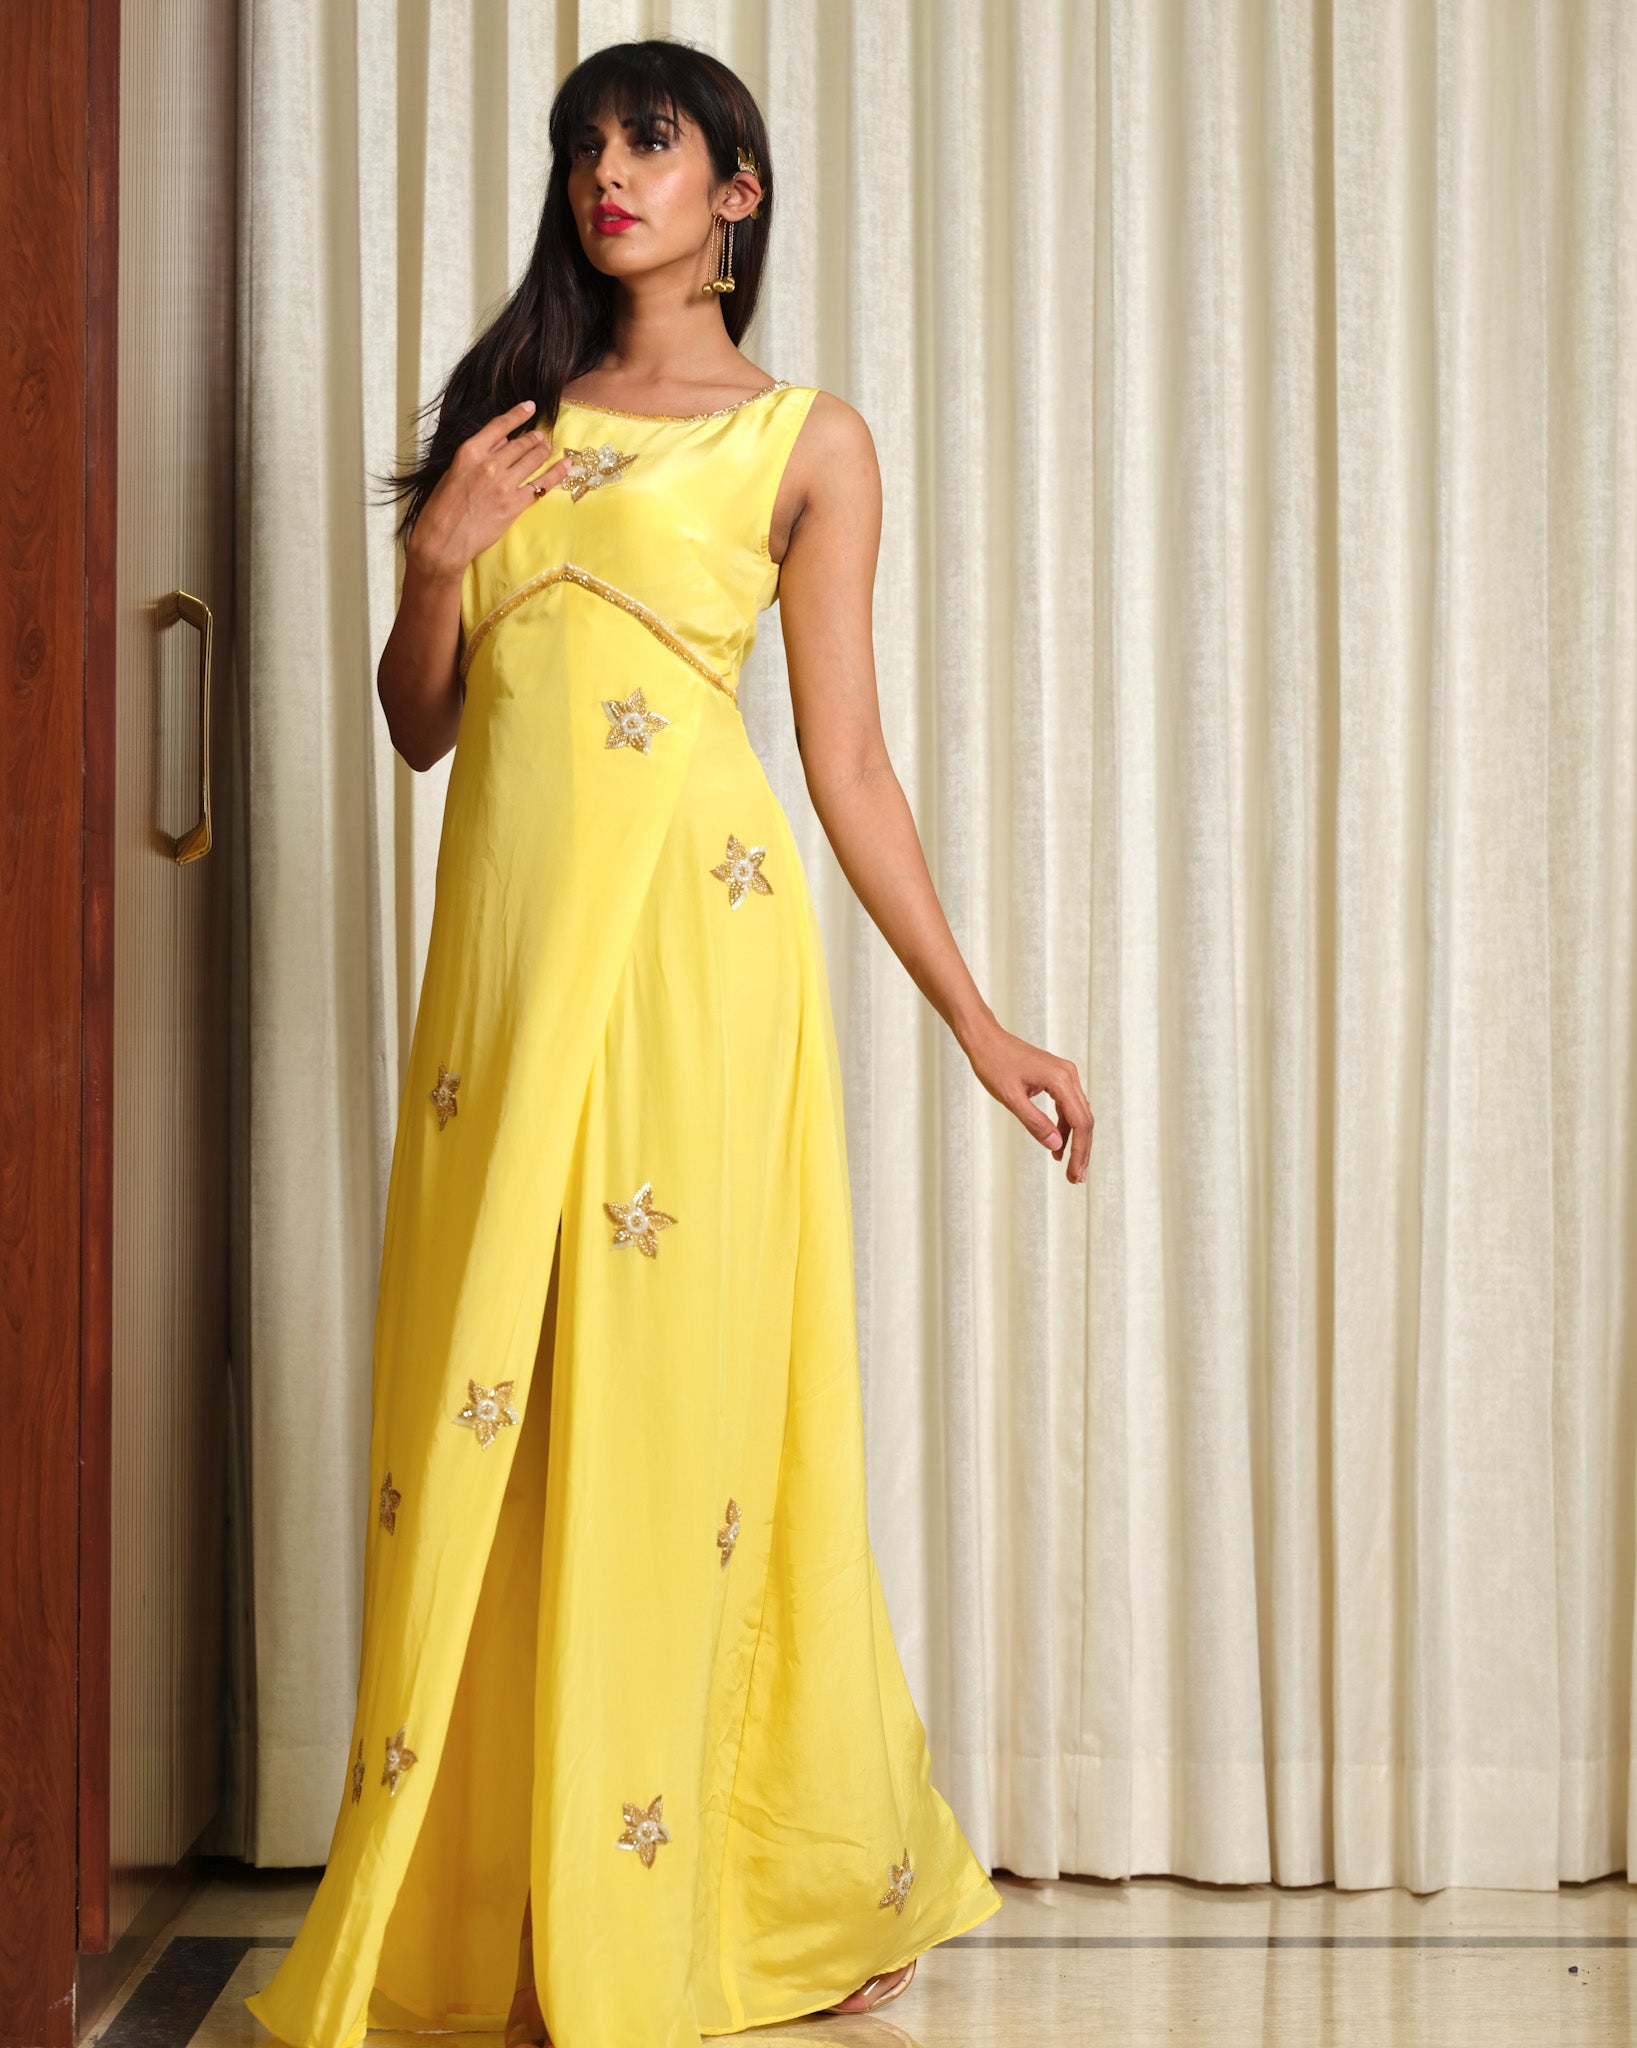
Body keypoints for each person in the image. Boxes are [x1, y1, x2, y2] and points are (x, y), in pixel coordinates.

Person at [245, 36, 1091, 2048]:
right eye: (584, 146)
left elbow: (853, 764)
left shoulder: (807, 440)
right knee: (494, 1407)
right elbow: (420, 718)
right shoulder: (506, 420)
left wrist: (980, 1018)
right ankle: (495, 1896)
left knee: (678, 1429)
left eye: (650, 140)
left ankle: (745, 1886)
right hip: (504, 993)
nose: (608, 171)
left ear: (740, 190)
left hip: (699, 977)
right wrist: (438, 562)